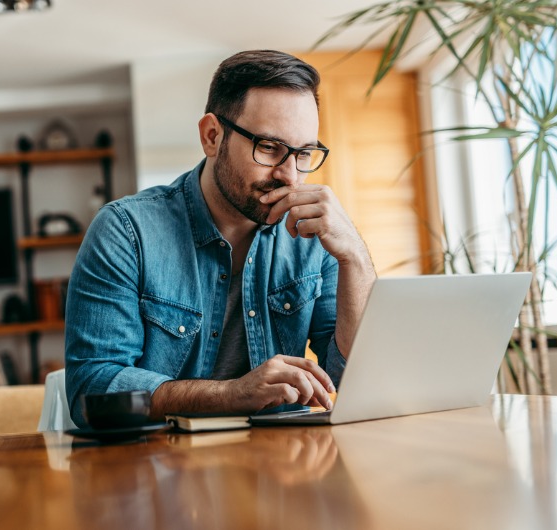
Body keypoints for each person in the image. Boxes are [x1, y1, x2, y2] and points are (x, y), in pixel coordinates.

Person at [65, 50, 376, 427]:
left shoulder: (316, 235)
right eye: (269, 148)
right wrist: (233, 395)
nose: (290, 175)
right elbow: (92, 390)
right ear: (212, 136)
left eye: (304, 153)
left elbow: (358, 377)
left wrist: (354, 258)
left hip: (282, 469)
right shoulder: (126, 231)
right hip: (159, 468)